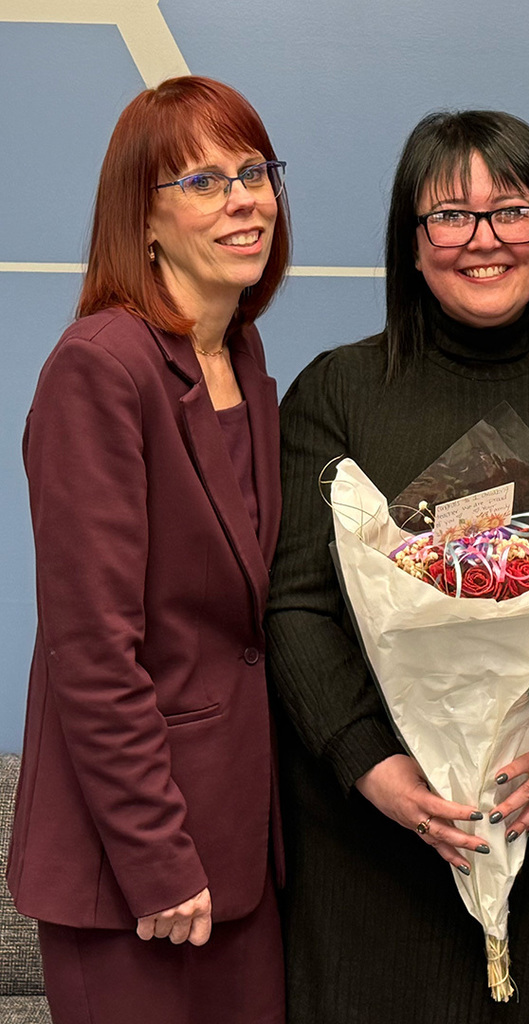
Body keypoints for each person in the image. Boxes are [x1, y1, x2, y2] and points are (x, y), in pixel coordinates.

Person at [267, 109, 529, 1022]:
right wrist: (370, 763)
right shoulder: (334, 393)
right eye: (448, 216)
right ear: (411, 246)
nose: (483, 240)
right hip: (375, 843)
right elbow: (296, 606)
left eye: (513, 211)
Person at [6, 76, 290, 1024]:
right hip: (139, 872)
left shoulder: (242, 357)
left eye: (253, 171)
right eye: (203, 182)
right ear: (147, 220)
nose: (244, 198)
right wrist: (158, 861)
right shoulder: (99, 367)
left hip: (241, 848)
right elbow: (93, 651)